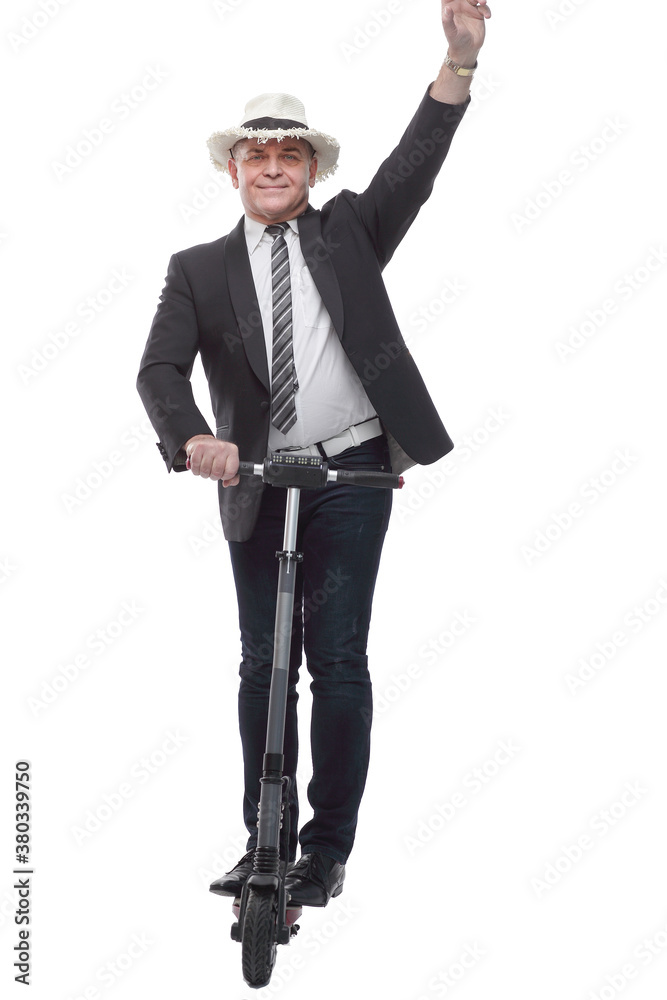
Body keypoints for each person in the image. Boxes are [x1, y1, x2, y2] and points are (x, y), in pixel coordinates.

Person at [137, 0, 491, 907]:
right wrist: (194, 437)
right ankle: (264, 837)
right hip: (257, 480)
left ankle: (324, 851)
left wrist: (457, 62)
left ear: (310, 169)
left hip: (351, 470)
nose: (272, 167)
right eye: (256, 154)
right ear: (233, 170)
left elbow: (415, 163)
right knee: (263, 664)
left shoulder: (348, 233)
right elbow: (160, 370)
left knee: (336, 658)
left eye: (289, 155)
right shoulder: (196, 269)